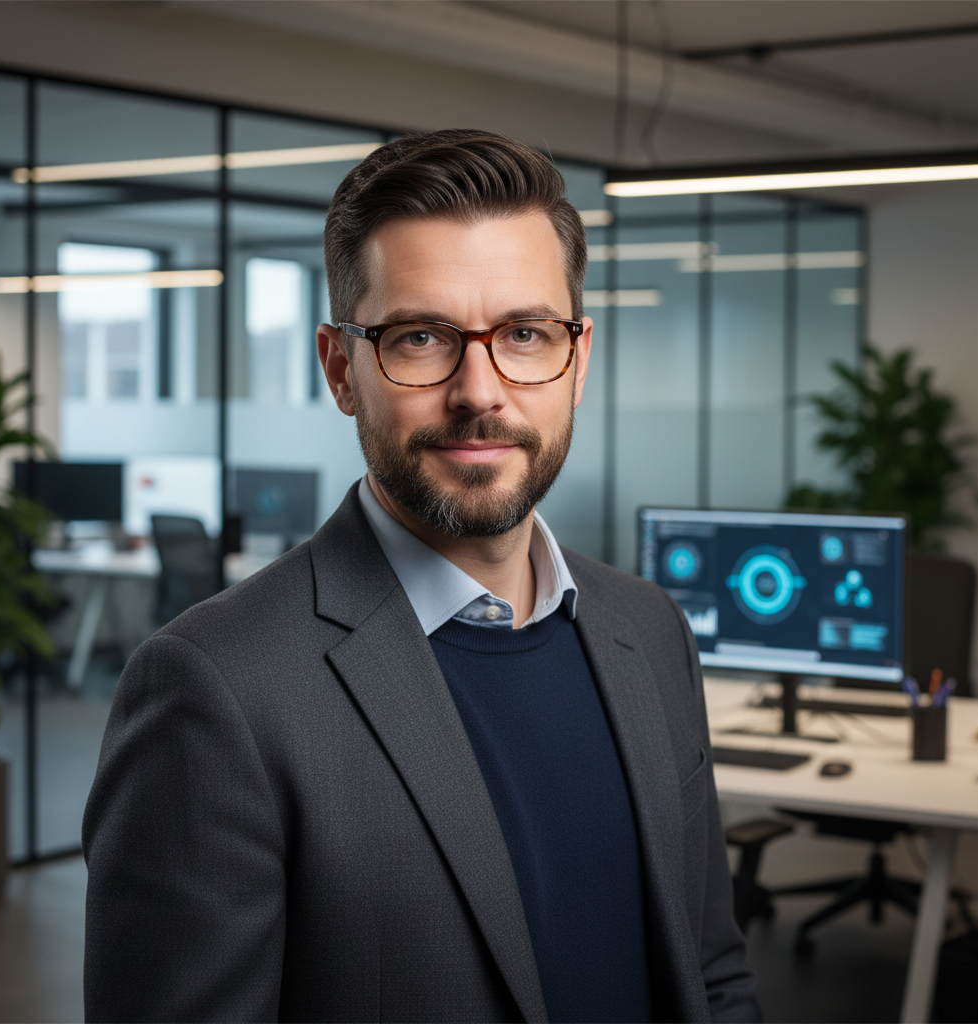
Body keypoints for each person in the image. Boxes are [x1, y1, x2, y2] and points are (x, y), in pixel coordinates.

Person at [83, 129, 761, 1024]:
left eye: (525, 333)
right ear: (341, 369)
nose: (481, 390)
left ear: (578, 359)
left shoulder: (649, 628)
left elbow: (711, 975)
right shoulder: (217, 691)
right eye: (420, 338)